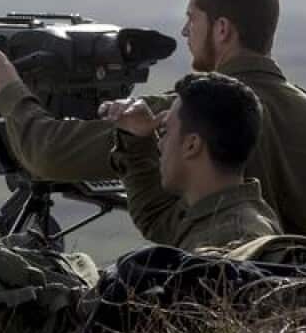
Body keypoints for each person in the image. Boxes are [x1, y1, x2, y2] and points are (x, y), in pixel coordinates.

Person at [0, 0, 306, 237]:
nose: (186, 33)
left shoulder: (192, 111)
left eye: (191, 18)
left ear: (222, 29)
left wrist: (7, 89)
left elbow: (47, 154)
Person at [98, 72, 281, 252]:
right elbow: (156, 215)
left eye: (165, 132)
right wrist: (136, 137)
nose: (160, 145)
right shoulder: (215, 214)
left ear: (192, 145)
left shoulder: (229, 241)